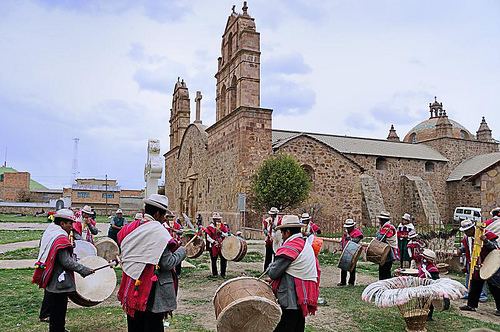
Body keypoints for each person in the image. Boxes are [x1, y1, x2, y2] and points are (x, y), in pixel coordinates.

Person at [117, 194, 187, 331]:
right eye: (163, 216)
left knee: (135, 324)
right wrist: (182, 251)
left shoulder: (130, 227)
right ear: (156, 214)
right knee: (152, 324)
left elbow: (121, 241)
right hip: (150, 289)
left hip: (132, 282)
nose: (163, 219)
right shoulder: (159, 232)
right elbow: (167, 262)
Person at [32, 208, 94, 332]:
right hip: (59, 282)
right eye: (69, 223)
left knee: (55, 311)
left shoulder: (51, 231)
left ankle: (57, 328)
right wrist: (84, 269)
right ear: (62, 223)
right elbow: (66, 261)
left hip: (52, 278)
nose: (72, 226)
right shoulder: (60, 237)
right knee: (59, 311)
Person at [268, 215, 320, 332]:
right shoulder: (303, 243)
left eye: (282, 232)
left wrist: (271, 268)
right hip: (301, 296)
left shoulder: (291, 246)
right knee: (297, 326)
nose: (281, 236)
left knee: (286, 325)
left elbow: (273, 272)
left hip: (291, 296)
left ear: (287, 232)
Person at [458, 219, 500, 315]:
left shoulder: (488, 235)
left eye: (468, 230)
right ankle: (471, 305)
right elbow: (467, 248)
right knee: (475, 286)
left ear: (473, 228)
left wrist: (485, 241)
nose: (466, 232)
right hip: (476, 266)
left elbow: (495, 248)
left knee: (494, 288)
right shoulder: (466, 238)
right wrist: (460, 250)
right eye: (465, 231)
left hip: (489, 264)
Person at [418, 249, 450, 321]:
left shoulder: (433, 269)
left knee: (429, 302)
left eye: (424, 258)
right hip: (423, 286)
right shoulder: (424, 266)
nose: (422, 259)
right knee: (422, 300)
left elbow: (435, 280)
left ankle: (428, 316)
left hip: (429, 287)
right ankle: (422, 313)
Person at [338, 218, 364, 286]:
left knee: (352, 268)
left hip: (353, 252)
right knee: (343, 267)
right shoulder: (346, 233)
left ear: (353, 226)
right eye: (347, 227)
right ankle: (343, 282)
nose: (348, 228)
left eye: (349, 227)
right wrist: (340, 246)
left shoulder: (357, 232)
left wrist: (351, 239)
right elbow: (342, 240)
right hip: (345, 251)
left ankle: (351, 282)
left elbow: (358, 239)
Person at [205, 212, 230, 277]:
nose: (217, 220)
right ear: (213, 220)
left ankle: (223, 273)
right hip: (213, 246)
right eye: (216, 219)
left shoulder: (223, 226)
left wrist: (221, 232)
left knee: (223, 259)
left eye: (218, 219)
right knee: (213, 260)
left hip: (222, 245)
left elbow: (227, 234)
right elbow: (208, 237)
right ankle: (215, 274)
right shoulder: (210, 227)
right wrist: (213, 242)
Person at [375, 212, 399, 280]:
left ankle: (385, 283)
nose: (379, 221)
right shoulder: (386, 227)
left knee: (385, 268)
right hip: (386, 249)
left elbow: (380, 238)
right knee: (383, 268)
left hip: (388, 250)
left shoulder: (388, 227)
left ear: (383, 220)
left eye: (380, 220)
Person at [263, 207, 279, 272]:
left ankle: (275, 270)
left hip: (276, 240)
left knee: (276, 255)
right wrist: (267, 233)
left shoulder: (279, 220)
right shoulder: (267, 220)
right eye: (271, 214)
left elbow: (279, 229)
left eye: (273, 214)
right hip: (269, 241)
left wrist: (273, 225)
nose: (272, 215)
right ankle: (266, 270)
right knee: (268, 256)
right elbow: (264, 229)